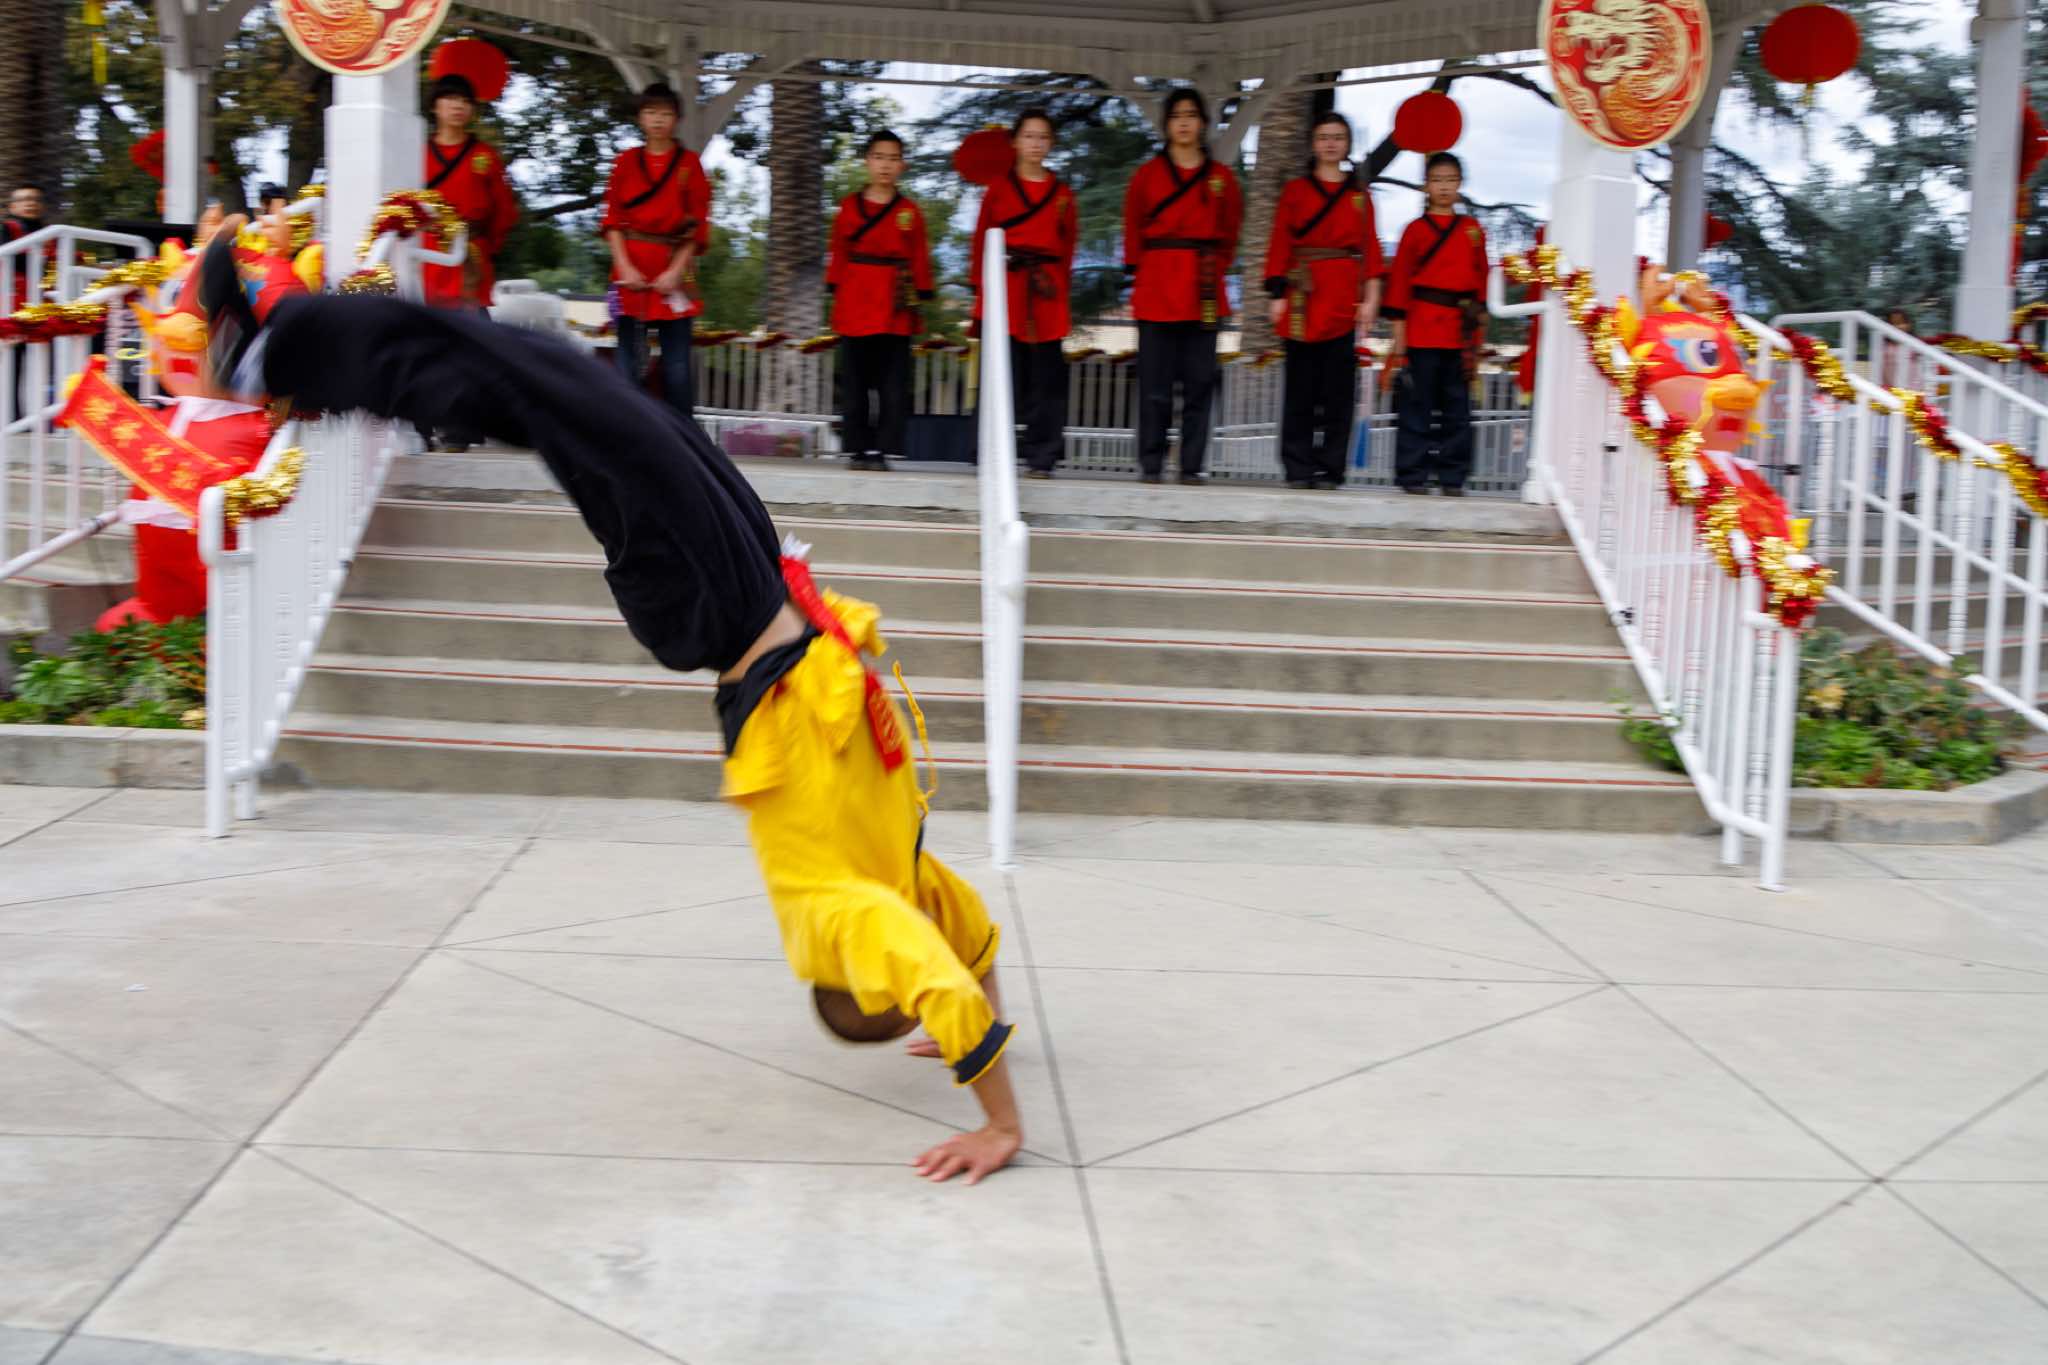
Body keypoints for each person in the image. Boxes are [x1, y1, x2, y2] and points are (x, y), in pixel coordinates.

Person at [193, 218, 1024, 1185]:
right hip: (753, 590)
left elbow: (939, 967)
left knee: (552, 396)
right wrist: (972, 1036)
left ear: (869, 983)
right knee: (560, 378)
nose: (921, 979)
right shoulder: (901, 880)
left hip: (719, 605)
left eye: (906, 991)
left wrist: (992, 1104)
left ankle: (271, 352)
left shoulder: (842, 915)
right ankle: (283, 348)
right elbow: (968, 946)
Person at [1122, 88, 1243, 486]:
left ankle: (1191, 465)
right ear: (1167, 125)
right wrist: (1140, 275)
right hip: (1156, 285)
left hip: (1203, 288)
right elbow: (1133, 229)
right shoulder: (1146, 175)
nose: (1185, 122)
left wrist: (1212, 268)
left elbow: (1230, 233)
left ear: (1203, 123)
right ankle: (1151, 464)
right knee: (1154, 385)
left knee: (1200, 383)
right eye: (1177, 116)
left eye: (1192, 115)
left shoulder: (1222, 179)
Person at [1262, 112, 1384, 490]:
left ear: (1347, 145)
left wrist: (1372, 298)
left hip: (1343, 299)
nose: (1331, 144)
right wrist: (1277, 294)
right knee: (1299, 390)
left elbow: (1371, 249)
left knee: (1338, 393)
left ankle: (1331, 468)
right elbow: (1280, 241)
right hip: (1302, 296)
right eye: (1324, 137)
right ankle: (1297, 467)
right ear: (1313, 144)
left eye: (1338, 137)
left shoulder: (1360, 197)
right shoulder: (1295, 191)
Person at [419, 51, 519, 451]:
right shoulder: (416, 152)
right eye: (450, 99)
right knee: (426, 342)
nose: (457, 107)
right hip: (427, 258)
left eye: (465, 101)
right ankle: (425, 422)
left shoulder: (484, 157)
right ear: (435, 106)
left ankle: (465, 424)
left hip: (469, 262)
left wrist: (483, 247)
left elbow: (504, 211)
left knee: (474, 344)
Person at [970, 109, 1078, 480]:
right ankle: (989, 452)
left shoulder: (1063, 195)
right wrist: (982, 294)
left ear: (1051, 144)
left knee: (1047, 380)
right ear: (1015, 141)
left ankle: (1042, 457)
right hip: (1006, 288)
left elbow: (1068, 248)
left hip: (1046, 291)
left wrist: (1059, 292)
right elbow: (980, 243)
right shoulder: (997, 190)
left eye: (1042, 137)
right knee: (999, 374)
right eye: (1029, 136)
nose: (1035, 143)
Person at [602, 82, 711, 420]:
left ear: (677, 119)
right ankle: (627, 428)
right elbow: (612, 220)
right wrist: (624, 267)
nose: (658, 120)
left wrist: (675, 272)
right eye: (651, 112)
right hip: (631, 264)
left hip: (673, 266)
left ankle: (682, 434)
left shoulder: (689, 164)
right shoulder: (625, 162)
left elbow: (697, 225)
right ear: (640, 118)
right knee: (627, 358)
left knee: (677, 364)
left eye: (666, 113)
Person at [828, 131, 935, 472]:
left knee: (892, 383)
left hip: (895, 303)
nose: (885, 165)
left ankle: (884, 449)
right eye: (879, 157)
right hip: (855, 298)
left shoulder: (910, 211)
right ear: (867, 161)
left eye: (893, 158)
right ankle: (857, 448)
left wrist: (922, 291)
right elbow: (839, 250)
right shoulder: (848, 206)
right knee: (855, 382)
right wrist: (834, 285)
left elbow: (919, 255)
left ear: (902, 165)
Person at [1384, 151, 1488, 497]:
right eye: (1437, 180)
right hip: (1422, 328)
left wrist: (1479, 330)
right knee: (1417, 405)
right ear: (1426, 186)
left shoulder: (1473, 230)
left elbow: (1482, 280)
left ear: (1460, 185)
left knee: (1457, 408)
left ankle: (1452, 476)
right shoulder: (1414, 230)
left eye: (1450, 180)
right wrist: (1399, 335)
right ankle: (1412, 474)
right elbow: (1399, 282)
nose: (1444, 187)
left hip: (1460, 331)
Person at [4, 184, 45, 423]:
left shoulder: (47, 233)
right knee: (12, 364)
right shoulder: (7, 228)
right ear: (12, 206)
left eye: (35, 199)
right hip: (12, 304)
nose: (31, 203)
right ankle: (12, 417)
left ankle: (25, 418)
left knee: (34, 364)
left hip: (37, 306)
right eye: (25, 199)